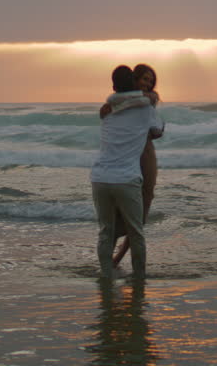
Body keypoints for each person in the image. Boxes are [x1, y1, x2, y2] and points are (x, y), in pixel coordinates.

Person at [91, 65, 164, 280]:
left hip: (100, 178)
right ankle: (139, 278)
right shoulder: (145, 109)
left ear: (113, 86)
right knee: (136, 232)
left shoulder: (106, 110)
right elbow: (158, 130)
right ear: (133, 83)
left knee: (105, 231)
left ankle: (106, 275)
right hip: (126, 178)